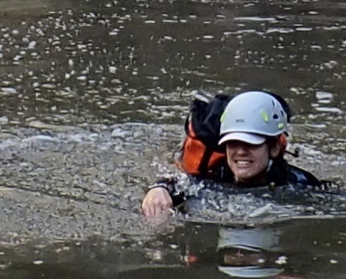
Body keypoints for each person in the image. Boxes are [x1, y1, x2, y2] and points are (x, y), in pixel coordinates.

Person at [141, 88, 331, 223]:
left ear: (273, 147)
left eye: (251, 143)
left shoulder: (299, 184)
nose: (240, 152)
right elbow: (177, 183)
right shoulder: (213, 176)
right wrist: (159, 189)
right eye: (233, 143)